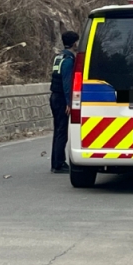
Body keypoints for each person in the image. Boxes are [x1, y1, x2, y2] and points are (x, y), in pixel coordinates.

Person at [49, 31, 78, 173]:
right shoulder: (68, 60)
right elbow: (67, 83)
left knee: (57, 130)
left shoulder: (58, 57)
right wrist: (69, 102)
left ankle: (55, 162)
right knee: (62, 132)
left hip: (54, 96)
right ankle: (59, 164)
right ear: (74, 43)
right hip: (61, 98)